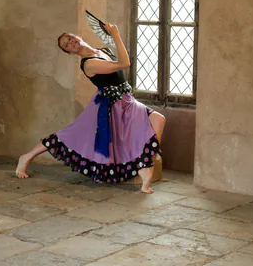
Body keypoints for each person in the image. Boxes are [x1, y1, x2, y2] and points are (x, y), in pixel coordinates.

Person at [15, 24, 165, 194]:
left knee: (158, 120)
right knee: (70, 136)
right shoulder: (88, 64)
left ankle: (146, 161)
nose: (70, 43)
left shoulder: (103, 51)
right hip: (109, 107)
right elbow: (124, 63)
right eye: (66, 45)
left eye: (70, 38)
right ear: (70, 52)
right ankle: (26, 156)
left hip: (126, 100)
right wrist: (115, 34)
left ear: (78, 36)